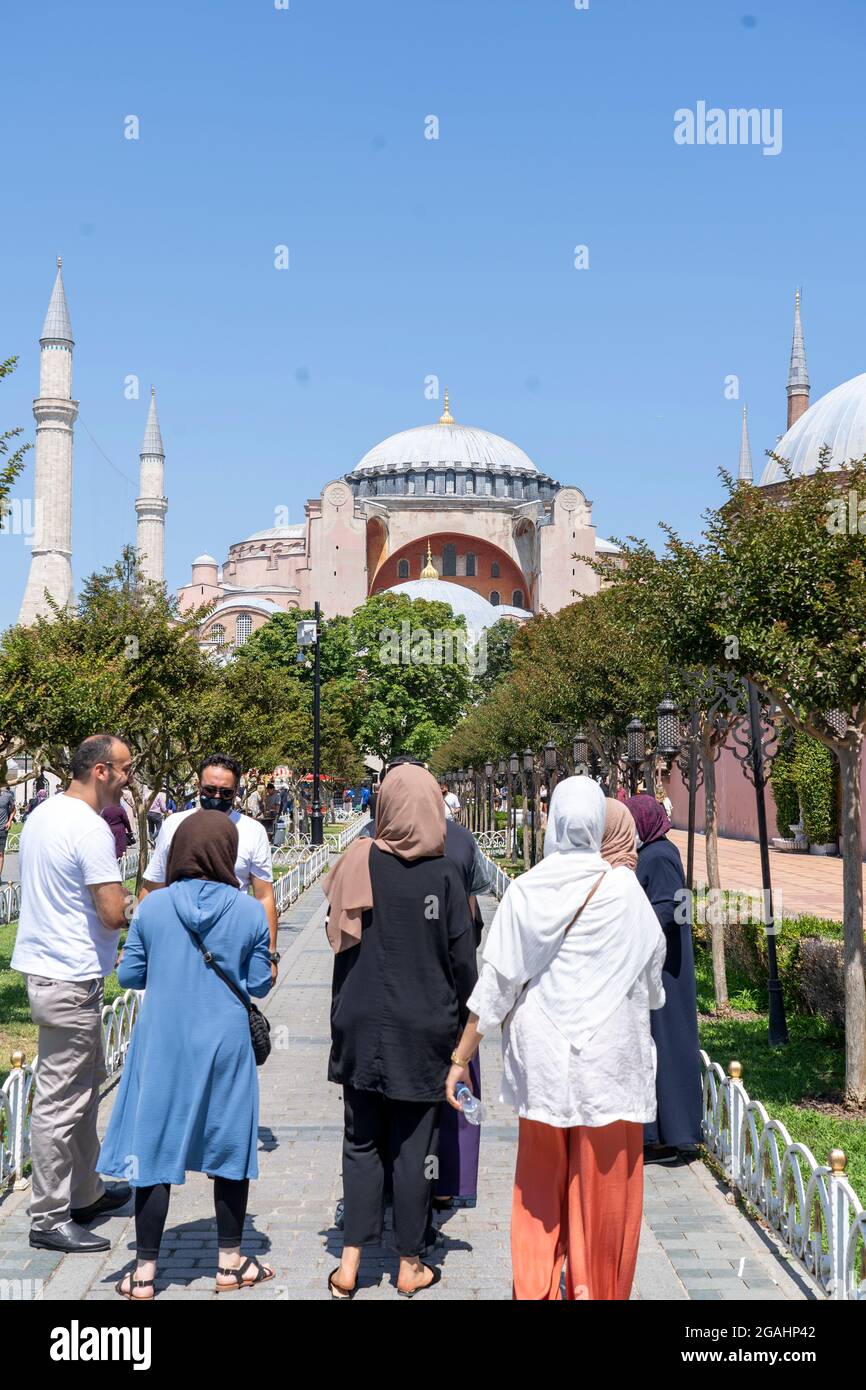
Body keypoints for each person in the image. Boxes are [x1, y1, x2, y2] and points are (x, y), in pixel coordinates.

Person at [446, 776, 666, 1300]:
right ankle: (596, 1289)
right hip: (610, 1065)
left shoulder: (526, 891)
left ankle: (536, 1287)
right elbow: (653, 981)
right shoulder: (625, 892)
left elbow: (495, 987)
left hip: (543, 1062)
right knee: (605, 1192)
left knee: (539, 1189)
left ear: (552, 823)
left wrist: (459, 1060)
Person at [99, 812, 274, 1299]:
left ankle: (144, 1274)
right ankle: (230, 1265)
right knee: (230, 1147)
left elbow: (129, 976)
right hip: (225, 1043)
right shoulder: (248, 912)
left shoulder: (153, 908)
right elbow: (260, 982)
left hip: (163, 1043)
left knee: (153, 1149)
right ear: (227, 852)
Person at [325, 763, 477, 1299]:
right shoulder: (445, 876)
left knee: (361, 1140)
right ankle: (409, 1264)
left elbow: (335, 936)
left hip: (360, 1022)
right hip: (424, 1028)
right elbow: (464, 964)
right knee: (416, 1148)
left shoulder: (359, 860)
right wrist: (468, 1033)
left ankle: (349, 1264)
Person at [12, 734, 134, 1253]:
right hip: (68, 978)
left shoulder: (43, 814)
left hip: (52, 971)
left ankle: (86, 1192)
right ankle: (48, 1217)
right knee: (60, 1103)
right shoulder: (89, 827)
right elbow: (110, 911)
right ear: (101, 770)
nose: (130, 779)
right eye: (125, 769)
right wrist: (145, 907)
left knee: (84, 1088)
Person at [139, 754, 279, 978]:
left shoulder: (253, 831)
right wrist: (137, 944)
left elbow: (264, 896)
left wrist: (270, 954)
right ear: (198, 786)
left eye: (226, 792)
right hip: (177, 939)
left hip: (230, 940)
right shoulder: (174, 824)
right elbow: (152, 887)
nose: (217, 797)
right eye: (210, 790)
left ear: (236, 791)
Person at [625, 793, 702, 1161]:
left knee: (665, 1048)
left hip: (665, 969)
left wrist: (629, 931)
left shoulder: (658, 855)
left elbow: (669, 908)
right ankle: (657, 1134)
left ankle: (668, 1137)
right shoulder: (653, 852)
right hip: (656, 964)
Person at [0, 776, 17, 883]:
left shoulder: (7, 796)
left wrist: (9, 821)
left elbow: (13, 810)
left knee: (0, 853)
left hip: (2, 828)